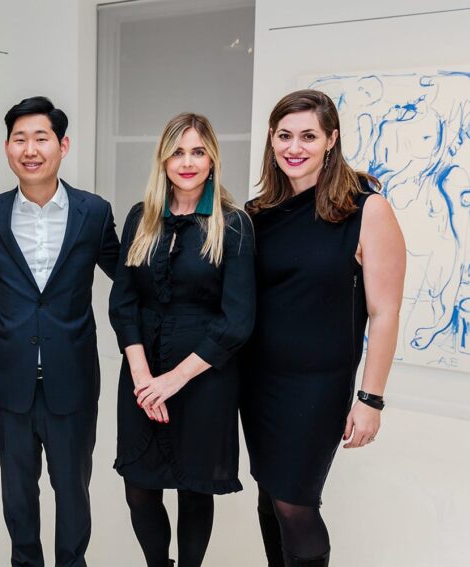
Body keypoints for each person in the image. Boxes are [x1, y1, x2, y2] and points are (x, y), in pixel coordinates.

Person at [241, 89, 405, 567]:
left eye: (308, 136)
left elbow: (386, 311)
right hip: (259, 383)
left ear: (331, 140)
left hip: (316, 388)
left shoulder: (367, 209)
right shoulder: (258, 214)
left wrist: (370, 398)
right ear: (271, 140)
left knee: (296, 503)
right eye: (285, 135)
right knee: (270, 496)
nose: (295, 147)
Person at [0, 96, 120, 567]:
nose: (30, 149)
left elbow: (129, 277)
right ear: (8, 148)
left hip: (71, 378)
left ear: (63, 145)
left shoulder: (92, 213)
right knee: (17, 495)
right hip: (9, 381)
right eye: (19, 139)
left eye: (41, 138)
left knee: (73, 492)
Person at [109, 113, 255, 566]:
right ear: (163, 159)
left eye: (197, 151)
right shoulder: (141, 217)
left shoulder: (233, 224)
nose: (187, 161)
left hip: (204, 377)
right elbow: (123, 303)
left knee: (195, 489)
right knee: (140, 488)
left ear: (212, 159)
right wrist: (142, 377)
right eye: (177, 151)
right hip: (142, 374)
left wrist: (172, 381)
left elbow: (237, 320)